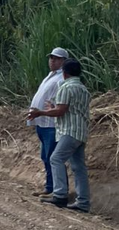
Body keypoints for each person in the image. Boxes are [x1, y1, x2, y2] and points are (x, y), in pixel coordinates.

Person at [27, 59, 91, 213]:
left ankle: (60, 195)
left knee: (55, 158)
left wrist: (40, 112)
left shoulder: (65, 87)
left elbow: (60, 111)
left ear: (64, 73)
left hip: (69, 131)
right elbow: (69, 109)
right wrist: (53, 108)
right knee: (79, 167)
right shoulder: (83, 89)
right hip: (80, 131)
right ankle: (83, 202)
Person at [27, 47, 69, 197]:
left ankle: (57, 189)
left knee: (53, 157)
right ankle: (50, 186)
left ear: (63, 61)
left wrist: (52, 108)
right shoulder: (51, 76)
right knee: (46, 156)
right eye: (51, 57)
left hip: (51, 124)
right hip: (42, 122)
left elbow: (62, 100)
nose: (52, 60)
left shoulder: (61, 78)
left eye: (56, 58)